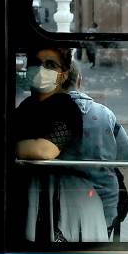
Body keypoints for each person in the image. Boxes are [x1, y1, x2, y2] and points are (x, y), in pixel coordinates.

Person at [16, 46, 109, 243]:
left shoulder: (66, 107)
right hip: (39, 200)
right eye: (36, 63)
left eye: (50, 65)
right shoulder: (27, 106)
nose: (41, 70)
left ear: (63, 74)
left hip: (65, 205)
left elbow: (44, 150)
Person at [69, 73, 128, 238]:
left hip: (62, 200)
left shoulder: (46, 112)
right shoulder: (105, 114)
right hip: (104, 201)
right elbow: (127, 155)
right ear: (79, 79)